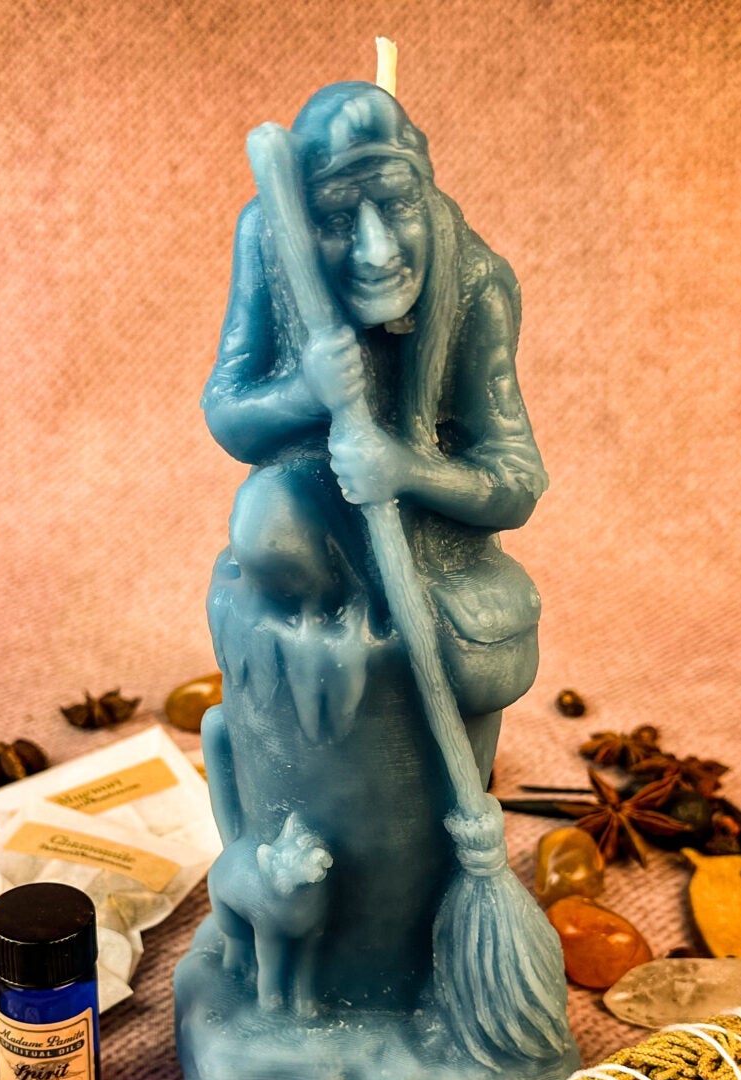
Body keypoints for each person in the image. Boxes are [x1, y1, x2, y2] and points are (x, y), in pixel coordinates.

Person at [202, 80, 547, 724]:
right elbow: (228, 414)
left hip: (432, 531)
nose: (377, 250)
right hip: (316, 518)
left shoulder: (475, 281)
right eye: (337, 219)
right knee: (267, 519)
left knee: (467, 659)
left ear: (425, 192)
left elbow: (517, 481)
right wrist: (307, 391)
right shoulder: (269, 236)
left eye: (396, 206)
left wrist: (405, 470)